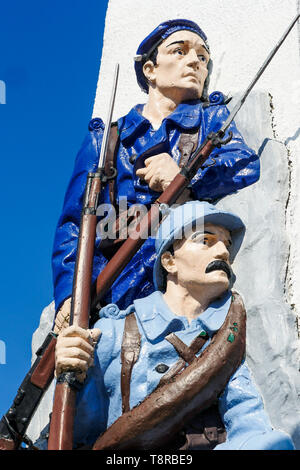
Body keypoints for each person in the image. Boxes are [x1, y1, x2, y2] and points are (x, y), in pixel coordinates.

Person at [52, 19, 260, 329]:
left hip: (182, 280)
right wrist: (70, 295)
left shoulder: (210, 118)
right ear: (150, 69)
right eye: (180, 51)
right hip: (113, 287)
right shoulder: (107, 139)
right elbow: (74, 224)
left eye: (203, 57)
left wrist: (184, 177)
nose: (194, 62)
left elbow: (244, 164)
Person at [51, 201, 294, 450]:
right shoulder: (115, 331)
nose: (223, 252)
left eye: (227, 244)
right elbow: (80, 435)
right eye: (206, 241)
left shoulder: (225, 336)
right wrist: (73, 373)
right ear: (169, 261)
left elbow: (248, 420)